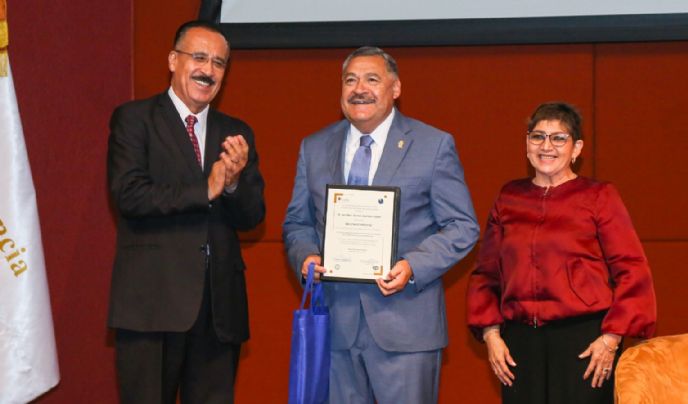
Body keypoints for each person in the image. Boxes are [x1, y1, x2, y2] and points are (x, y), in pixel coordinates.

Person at [283, 46, 479, 403]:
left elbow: (462, 226)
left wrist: (413, 266)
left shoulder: (433, 145)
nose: (360, 89)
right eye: (350, 80)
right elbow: (298, 222)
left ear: (396, 88)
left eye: (372, 79)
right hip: (336, 331)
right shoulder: (313, 147)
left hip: (406, 331)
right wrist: (306, 256)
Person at [107, 20, 265, 403]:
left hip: (218, 312)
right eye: (198, 57)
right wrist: (205, 189)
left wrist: (231, 184)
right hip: (151, 306)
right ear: (173, 61)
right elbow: (129, 195)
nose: (208, 70)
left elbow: (252, 217)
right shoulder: (134, 119)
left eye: (218, 63)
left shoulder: (236, 132)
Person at [466, 102, 656, 404]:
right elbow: (487, 273)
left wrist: (611, 339)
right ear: (527, 144)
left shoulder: (599, 196)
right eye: (538, 136)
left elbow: (632, 269)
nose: (546, 146)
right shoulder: (509, 197)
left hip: (584, 344)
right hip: (518, 345)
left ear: (576, 148)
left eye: (558, 138)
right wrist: (491, 335)